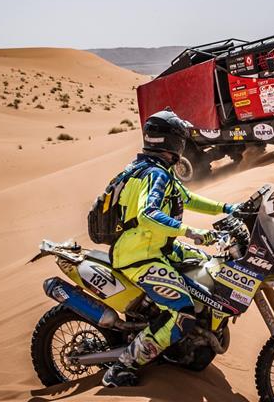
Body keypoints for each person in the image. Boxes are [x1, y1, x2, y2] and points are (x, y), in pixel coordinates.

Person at [101, 109, 239, 387]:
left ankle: (188, 342)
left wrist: (229, 208)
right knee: (182, 312)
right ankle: (121, 367)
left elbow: (189, 199)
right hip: (139, 257)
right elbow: (147, 214)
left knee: (207, 266)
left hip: (159, 249)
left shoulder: (157, 171)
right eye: (181, 138)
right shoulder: (155, 174)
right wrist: (191, 231)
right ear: (172, 142)